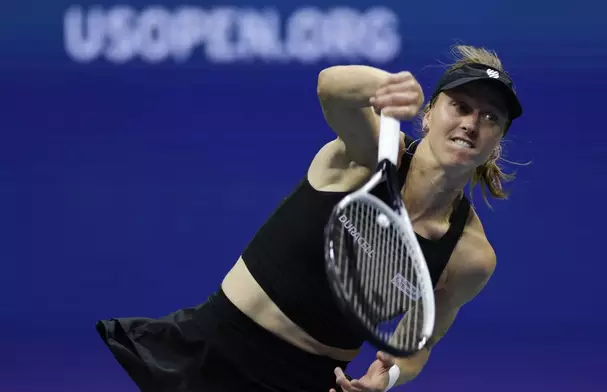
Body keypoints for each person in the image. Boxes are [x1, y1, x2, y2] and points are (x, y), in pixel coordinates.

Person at [95, 44, 523, 392]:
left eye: (490, 117)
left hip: (308, 384)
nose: (471, 123)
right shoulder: (371, 156)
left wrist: (386, 377)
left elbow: (418, 344)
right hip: (212, 354)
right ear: (428, 114)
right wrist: (385, 85)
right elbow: (331, 88)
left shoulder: (469, 256)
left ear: (498, 140)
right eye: (460, 106)